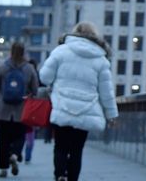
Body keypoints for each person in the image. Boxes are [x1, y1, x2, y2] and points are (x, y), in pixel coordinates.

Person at [39, 22, 118, 181]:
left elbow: (45, 77)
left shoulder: (61, 51)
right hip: (86, 109)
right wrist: (111, 115)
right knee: (77, 150)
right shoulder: (101, 59)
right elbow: (106, 92)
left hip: (62, 105)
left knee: (60, 146)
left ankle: (60, 174)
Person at [0, 42, 39, 178]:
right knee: (20, 136)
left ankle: (3, 168)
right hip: (21, 110)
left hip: (2, 110)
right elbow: (35, 89)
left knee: (3, 140)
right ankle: (15, 155)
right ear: (23, 52)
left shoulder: (3, 68)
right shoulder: (29, 68)